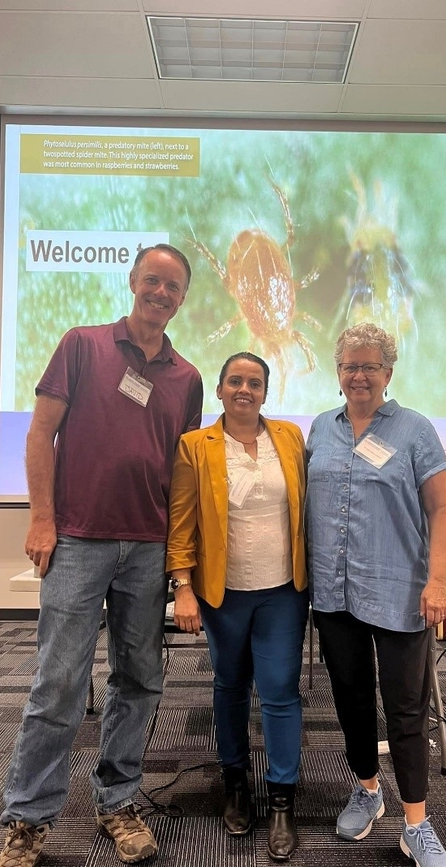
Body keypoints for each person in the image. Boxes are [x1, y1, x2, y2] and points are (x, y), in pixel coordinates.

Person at [0, 244, 203, 867]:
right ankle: (29, 817)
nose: (161, 293)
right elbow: (40, 432)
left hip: (147, 548)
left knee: (139, 678)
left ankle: (119, 800)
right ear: (133, 281)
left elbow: (181, 469)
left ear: (183, 299)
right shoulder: (82, 345)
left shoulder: (187, 378)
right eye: (153, 281)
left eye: (173, 287)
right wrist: (41, 519)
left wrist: (179, 558)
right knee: (58, 682)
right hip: (78, 541)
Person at [305, 322, 446, 867]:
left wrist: (436, 579)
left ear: (388, 373)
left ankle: (416, 824)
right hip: (333, 590)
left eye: (370, 366)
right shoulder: (320, 429)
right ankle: (368, 790)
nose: (359, 375)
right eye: (350, 365)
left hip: (399, 590)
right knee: (349, 698)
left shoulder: (414, 430)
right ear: (338, 371)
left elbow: (441, 510)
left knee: (406, 708)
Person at [166, 352, 309, 861]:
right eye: (235, 381)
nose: (244, 389)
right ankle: (234, 784)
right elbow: (181, 521)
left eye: (254, 382)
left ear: (266, 392)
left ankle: (282, 801)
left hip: (283, 593)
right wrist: (182, 585)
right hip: (222, 594)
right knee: (229, 685)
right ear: (220, 390)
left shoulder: (290, 438)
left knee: (279, 692)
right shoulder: (194, 446)